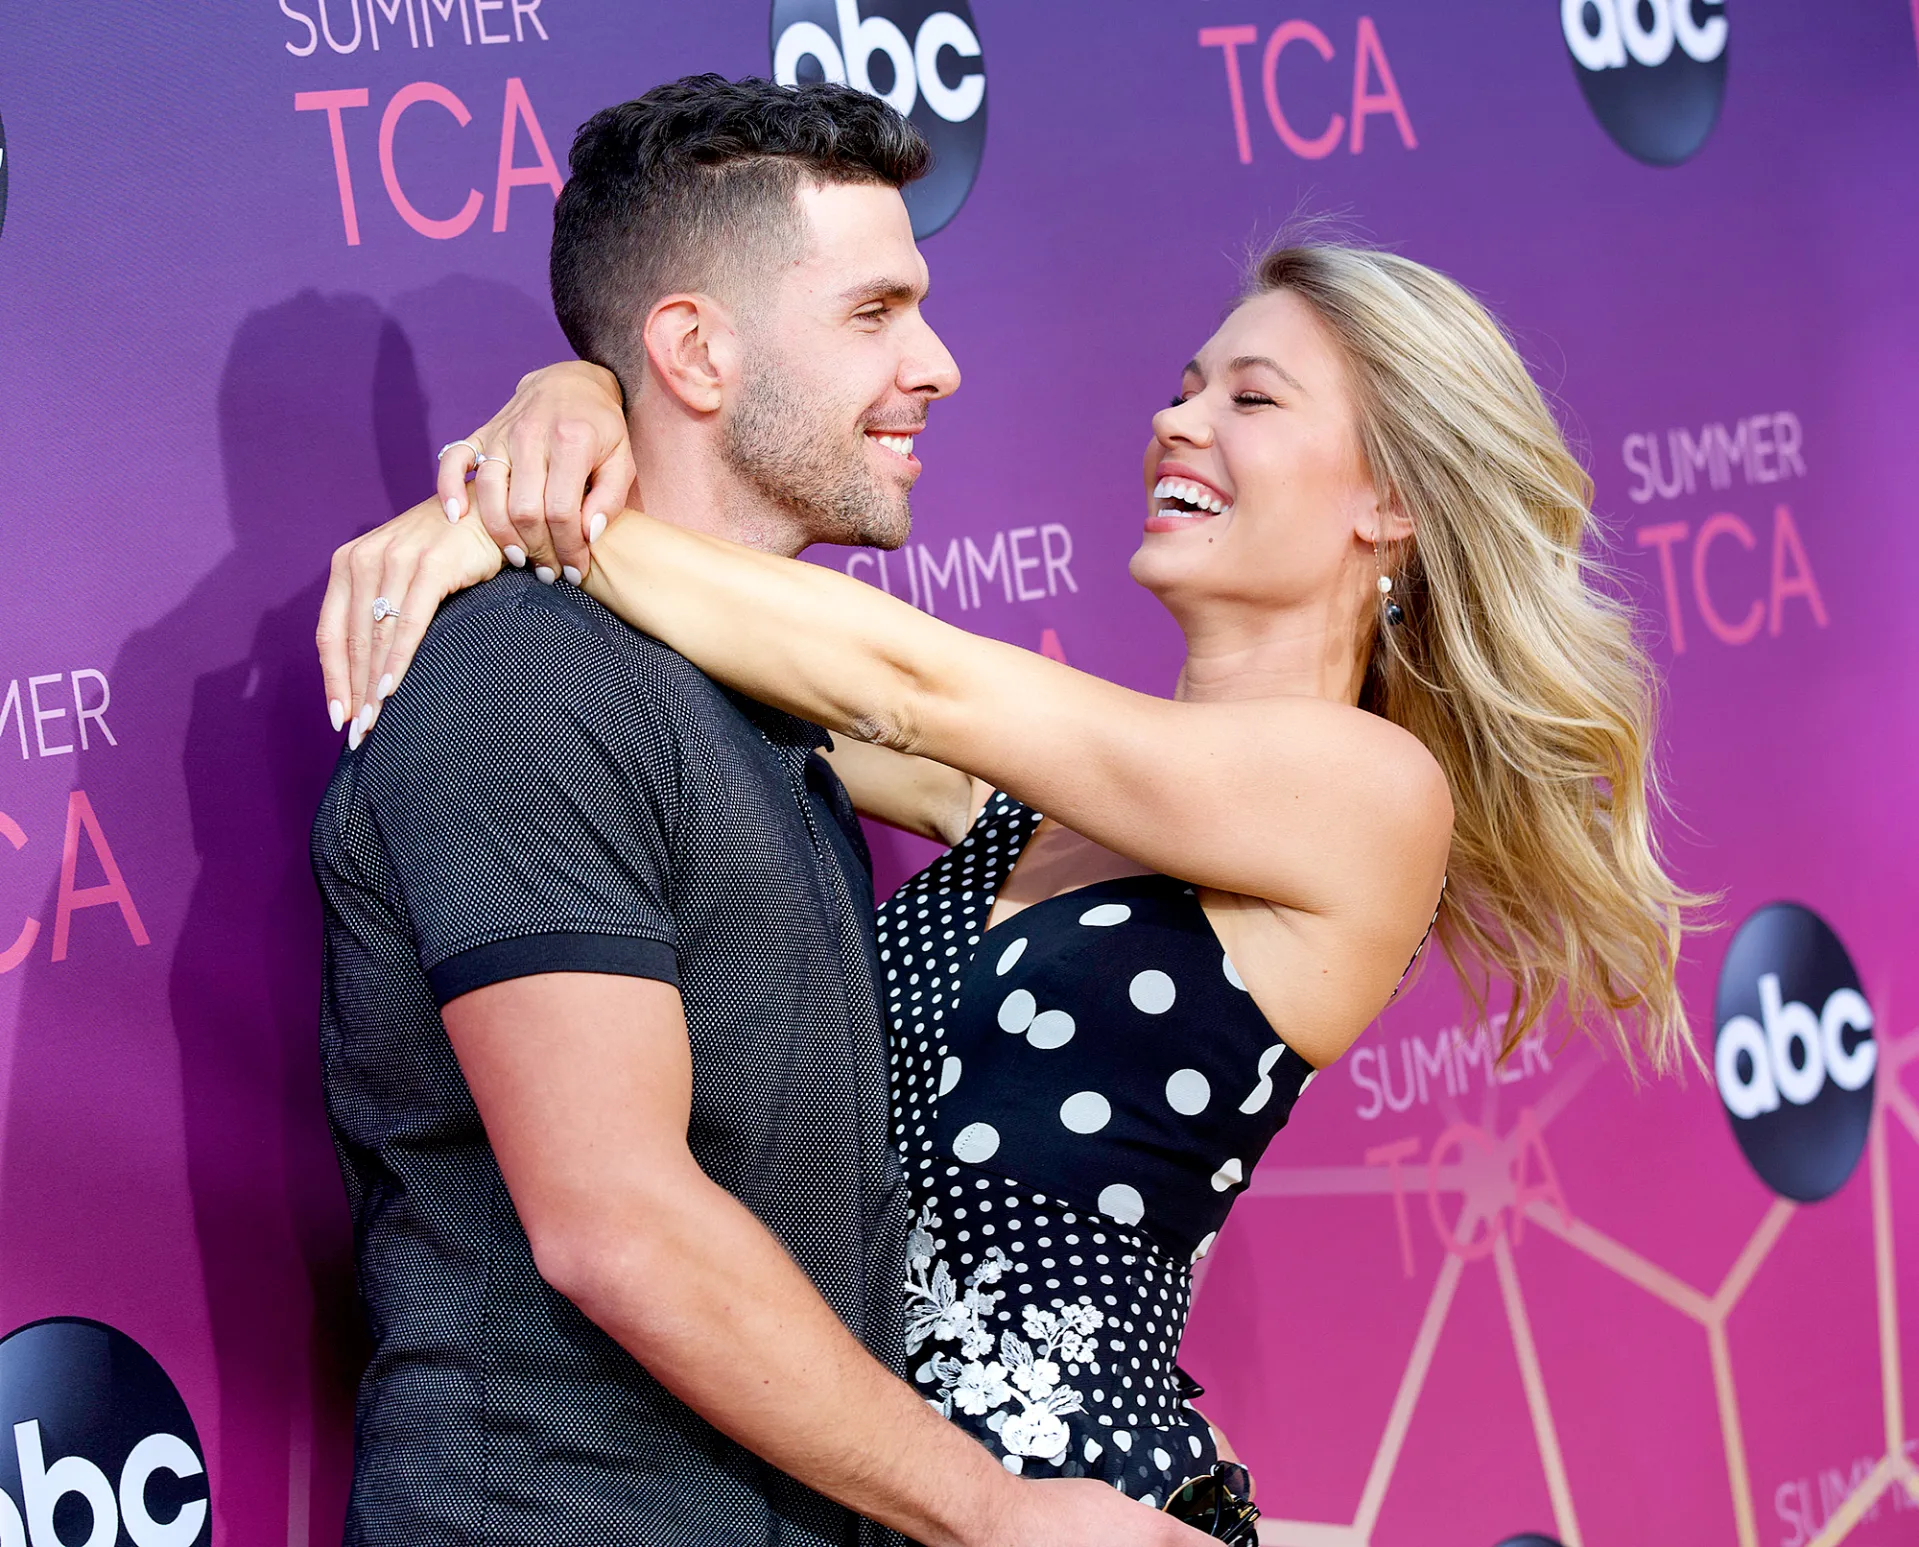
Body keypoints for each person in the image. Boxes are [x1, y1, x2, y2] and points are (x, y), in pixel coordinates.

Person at [324, 226, 1702, 1512]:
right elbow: (694, 694)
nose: (1181, 421)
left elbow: (897, 676)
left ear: (1390, 500)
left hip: (1053, 1493)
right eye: (1186, 388)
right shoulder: (1013, 799)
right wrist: (567, 402)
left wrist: (525, 513)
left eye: (1252, 400)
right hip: (859, 1485)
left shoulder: (1370, 794)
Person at [311, 74, 1207, 1547]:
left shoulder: (758, 694)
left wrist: (569, 403)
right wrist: (989, 1512)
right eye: (874, 312)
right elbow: (617, 1220)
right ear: (695, 351)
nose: (936, 363)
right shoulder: (526, 681)